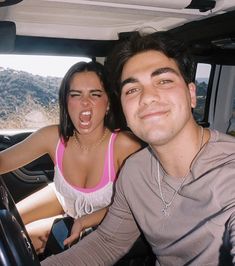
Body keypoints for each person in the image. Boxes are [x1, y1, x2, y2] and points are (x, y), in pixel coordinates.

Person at [41, 31, 235, 266]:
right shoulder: (134, 171)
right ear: (123, 108)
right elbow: (108, 242)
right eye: (132, 90)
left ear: (191, 94)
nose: (148, 97)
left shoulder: (228, 169)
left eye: (163, 81)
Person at [0, 61, 141, 255]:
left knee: (17, 248)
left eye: (95, 94)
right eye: (75, 95)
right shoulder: (52, 137)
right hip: (65, 200)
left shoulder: (124, 146)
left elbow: (136, 206)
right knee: (6, 230)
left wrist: (83, 222)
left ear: (108, 103)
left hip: (101, 221)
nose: (85, 102)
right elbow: (2, 162)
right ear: (66, 102)